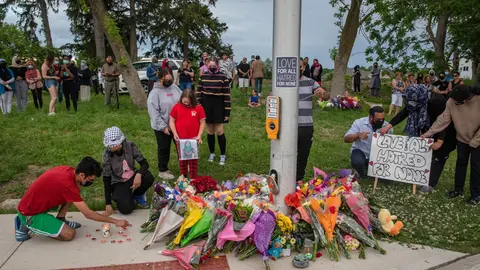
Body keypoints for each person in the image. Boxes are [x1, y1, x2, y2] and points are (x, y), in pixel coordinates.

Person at [14, 157, 129, 242]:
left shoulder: (70, 172)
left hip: (38, 204)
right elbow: (88, 214)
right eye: (91, 179)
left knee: (76, 188)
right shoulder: (67, 185)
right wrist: (115, 221)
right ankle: (24, 225)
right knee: (69, 234)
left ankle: (61, 219)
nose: (90, 183)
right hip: (30, 212)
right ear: (82, 175)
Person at [381, 92, 457, 193]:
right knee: (424, 154)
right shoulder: (414, 100)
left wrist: (440, 140)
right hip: (429, 130)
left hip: (447, 132)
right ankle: (418, 177)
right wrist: (388, 126)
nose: (411, 104)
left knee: (438, 156)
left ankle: (430, 184)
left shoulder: (436, 101)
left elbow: (444, 120)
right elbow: (403, 114)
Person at [422, 85, 480, 204]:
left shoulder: (477, 100)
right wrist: (429, 132)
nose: (453, 102)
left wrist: (476, 140)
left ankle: (476, 195)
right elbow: (443, 119)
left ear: (465, 100)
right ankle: (458, 189)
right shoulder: (451, 101)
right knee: (460, 163)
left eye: (456, 101)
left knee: (476, 167)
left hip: (477, 139)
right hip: (462, 138)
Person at [102, 126, 154, 215]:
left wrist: (139, 175)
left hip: (132, 176)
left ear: (122, 142)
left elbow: (145, 164)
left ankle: (138, 194)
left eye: (116, 145)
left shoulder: (130, 145)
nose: (114, 148)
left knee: (149, 177)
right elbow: (106, 179)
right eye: (111, 146)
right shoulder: (107, 155)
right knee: (126, 209)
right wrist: (108, 204)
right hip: (118, 182)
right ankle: (128, 197)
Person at [296, 60, 328, 181]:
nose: (297, 69)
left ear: (304, 68)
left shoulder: (310, 82)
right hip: (287, 125)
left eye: (300, 66)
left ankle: (298, 180)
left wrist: (322, 93)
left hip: (305, 126)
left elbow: (326, 96)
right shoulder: (282, 82)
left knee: (303, 155)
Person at [147, 69, 182, 180]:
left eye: (170, 79)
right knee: (164, 148)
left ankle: (185, 166)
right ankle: (163, 170)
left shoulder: (175, 88)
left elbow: (183, 100)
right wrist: (163, 127)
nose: (169, 81)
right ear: (160, 79)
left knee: (181, 146)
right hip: (163, 126)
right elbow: (154, 112)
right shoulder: (154, 93)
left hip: (177, 124)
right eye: (166, 79)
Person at [197, 60, 230, 165]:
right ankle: (212, 153)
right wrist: (199, 108)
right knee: (210, 130)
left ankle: (222, 155)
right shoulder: (203, 77)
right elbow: (199, 93)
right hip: (206, 105)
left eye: (213, 65)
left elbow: (227, 95)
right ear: (207, 65)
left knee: (219, 130)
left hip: (218, 105)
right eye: (210, 65)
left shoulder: (223, 77)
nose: (212, 66)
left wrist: (227, 112)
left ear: (217, 65)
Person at [344, 106, 392, 179]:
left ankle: (371, 170)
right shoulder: (359, 122)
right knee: (357, 161)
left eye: (382, 119)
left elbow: (391, 145)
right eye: (378, 119)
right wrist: (358, 135)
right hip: (361, 151)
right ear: (371, 117)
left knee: (386, 179)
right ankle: (361, 173)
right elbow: (346, 139)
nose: (381, 121)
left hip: (378, 155)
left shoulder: (387, 126)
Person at [169, 89, 206, 179]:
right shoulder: (176, 107)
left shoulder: (198, 108)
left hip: (193, 139)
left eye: (188, 102)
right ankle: (183, 177)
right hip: (180, 139)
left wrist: (199, 135)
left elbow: (202, 122)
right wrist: (174, 133)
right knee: (182, 159)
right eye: (184, 101)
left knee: (193, 159)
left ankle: (193, 178)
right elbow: (172, 121)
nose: (185, 103)